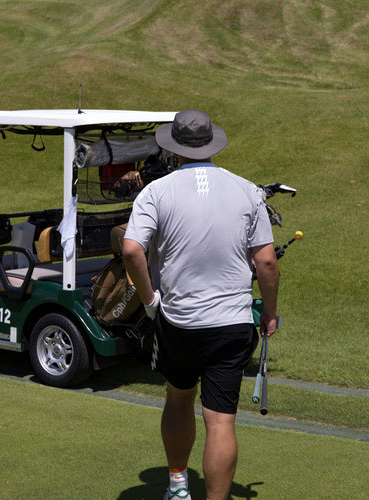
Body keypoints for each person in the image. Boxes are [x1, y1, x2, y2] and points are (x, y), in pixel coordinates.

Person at [122, 109, 280, 500]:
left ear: (173, 149)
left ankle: (178, 486)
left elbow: (131, 250)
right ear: (211, 145)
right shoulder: (246, 190)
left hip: (178, 322)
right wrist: (271, 313)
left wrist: (150, 301)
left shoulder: (156, 192)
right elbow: (265, 261)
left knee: (179, 396)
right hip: (231, 324)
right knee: (221, 419)